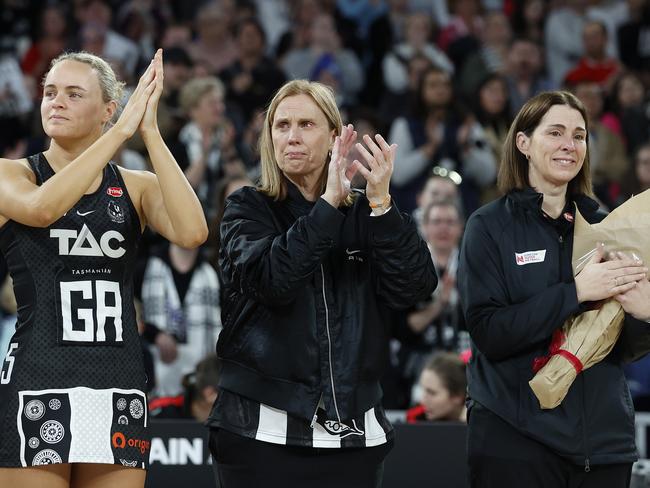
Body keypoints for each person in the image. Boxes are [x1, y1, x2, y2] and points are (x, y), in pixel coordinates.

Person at [207, 79, 437, 488]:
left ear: (335, 136)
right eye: (281, 125)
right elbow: (273, 280)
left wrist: (383, 205)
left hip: (355, 438)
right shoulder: (247, 207)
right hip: (259, 433)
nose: (291, 136)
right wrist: (329, 206)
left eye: (306, 125)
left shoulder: (370, 213)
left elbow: (415, 288)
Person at [0, 49, 207, 487]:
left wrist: (148, 133)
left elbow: (192, 233)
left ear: (108, 110)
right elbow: (41, 210)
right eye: (50, 91)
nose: (56, 101)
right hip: (39, 374)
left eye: (75, 94)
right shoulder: (13, 174)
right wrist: (119, 135)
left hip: (117, 378)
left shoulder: (135, 186)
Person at [458, 90, 650, 487]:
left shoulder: (607, 226)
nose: (569, 145)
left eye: (579, 136)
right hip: (516, 441)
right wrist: (574, 292)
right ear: (523, 143)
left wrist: (645, 314)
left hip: (603, 445)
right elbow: (490, 332)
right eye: (556, 133)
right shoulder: (489, 226)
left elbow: (624, 348)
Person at [406, 351, 467, 423]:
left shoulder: (480, 421)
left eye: (432, 393)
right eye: (423, 390)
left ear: (457, 396)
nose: (423, 401)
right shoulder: (416, 418)